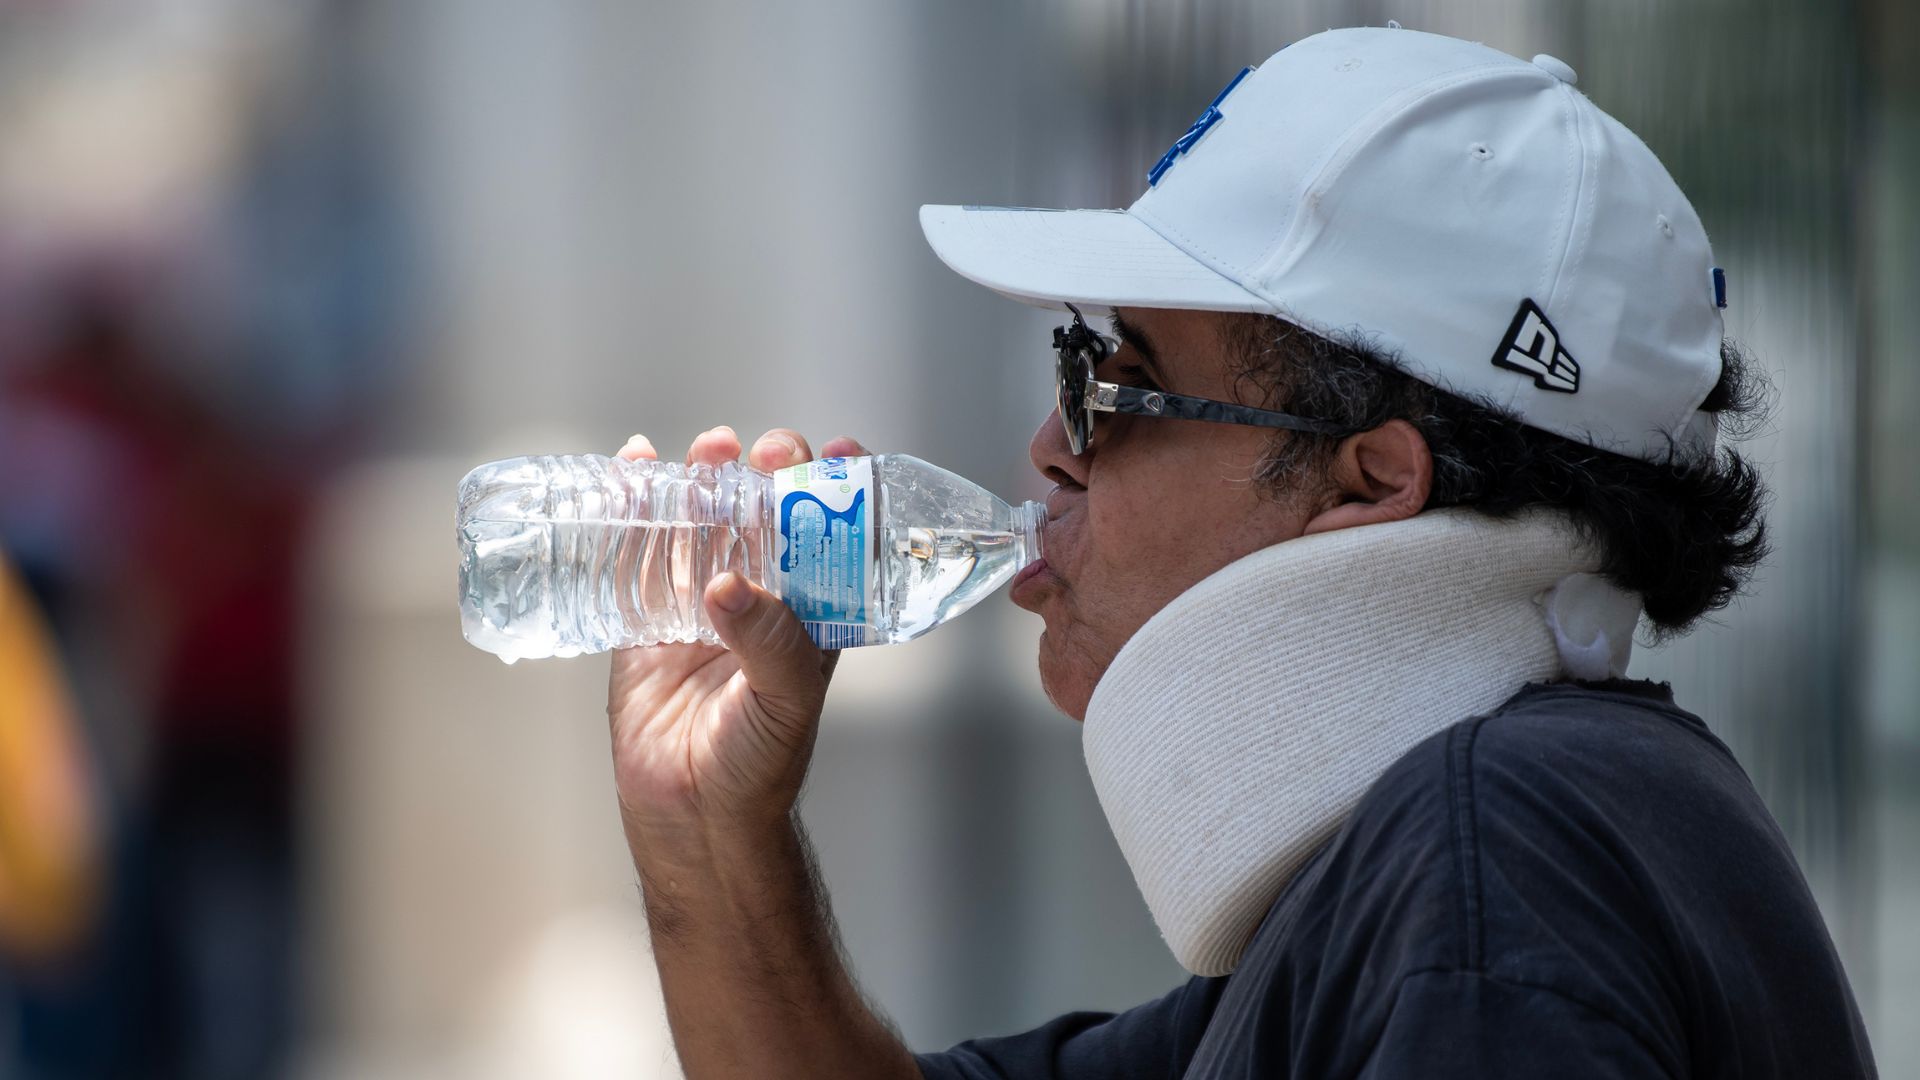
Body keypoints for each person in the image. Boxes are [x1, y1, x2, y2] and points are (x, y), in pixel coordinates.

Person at [604, 27, 1875, 1078]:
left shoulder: (1496, 860)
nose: (1052, 442)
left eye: (1118, 382)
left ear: (1364, 481)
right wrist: (711, 837)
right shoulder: (1457, 852)